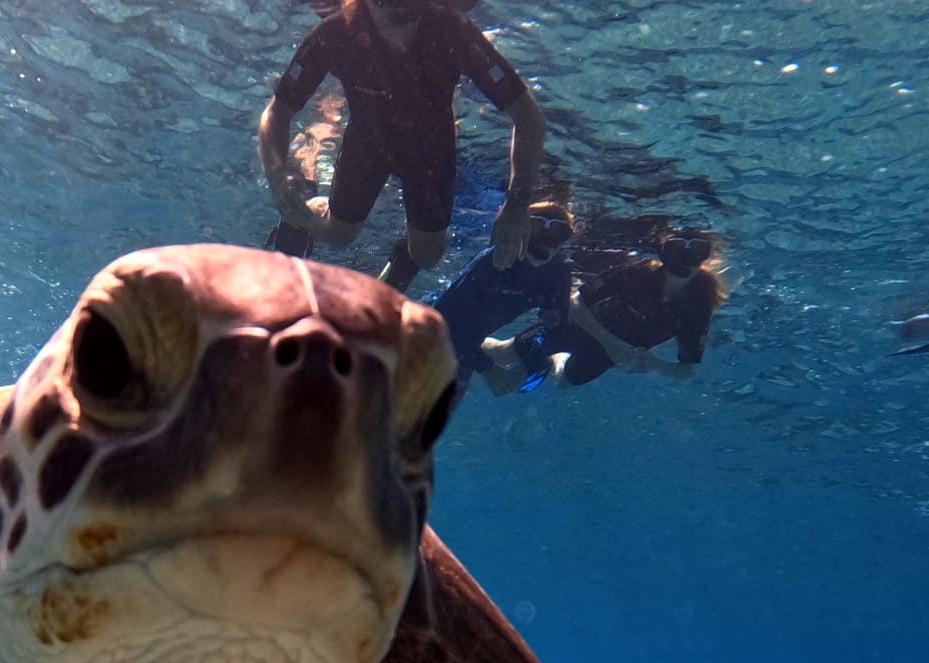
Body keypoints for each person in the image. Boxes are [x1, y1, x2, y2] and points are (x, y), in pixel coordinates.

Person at [257, 0, 545, 291]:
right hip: (369, 142)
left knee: (428, 255)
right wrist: (277, 175)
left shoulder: (452, 30)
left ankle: (411, 249)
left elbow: (527, 115)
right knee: (339, 235)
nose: (399, 11)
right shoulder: (335, 33)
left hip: (431, 149)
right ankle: (303, 210)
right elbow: (277, 110)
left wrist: (517, 203)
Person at [482, 228, 728, 393]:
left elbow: (685, 370)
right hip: (573, 327)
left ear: (705, 256)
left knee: (564, 382)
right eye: (676, 250)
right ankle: (460, 342)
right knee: (502, 353)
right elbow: (576, 302)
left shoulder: (697, 307)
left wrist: (653, 364)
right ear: (663, 253)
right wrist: (611, 343)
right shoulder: (637, 273)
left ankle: (554, 358)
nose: (685, 260)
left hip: (606, 356)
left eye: (696, 251)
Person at [428, 200, 573, 390]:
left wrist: (533, 362)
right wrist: (488, 369)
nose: (546, 239)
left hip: (466, 345)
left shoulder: (557, 275)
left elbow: (555, 327)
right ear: (521, 229)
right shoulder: (494, 262)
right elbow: (442, 321)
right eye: (536, 227)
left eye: (558, 232)